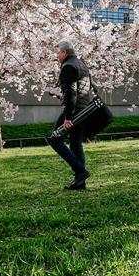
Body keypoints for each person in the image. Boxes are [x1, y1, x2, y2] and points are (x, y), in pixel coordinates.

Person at [47, 40, 92, 190]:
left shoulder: (68, 66)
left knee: (55, 139)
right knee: (75, 144)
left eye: (58, 52)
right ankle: (80, 183)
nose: (57, 56)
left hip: (73, 111)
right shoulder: (81, 64)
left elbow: (70, 93)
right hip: (84, 108)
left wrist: (67, 117)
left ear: (65, 52)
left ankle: (80, 171)